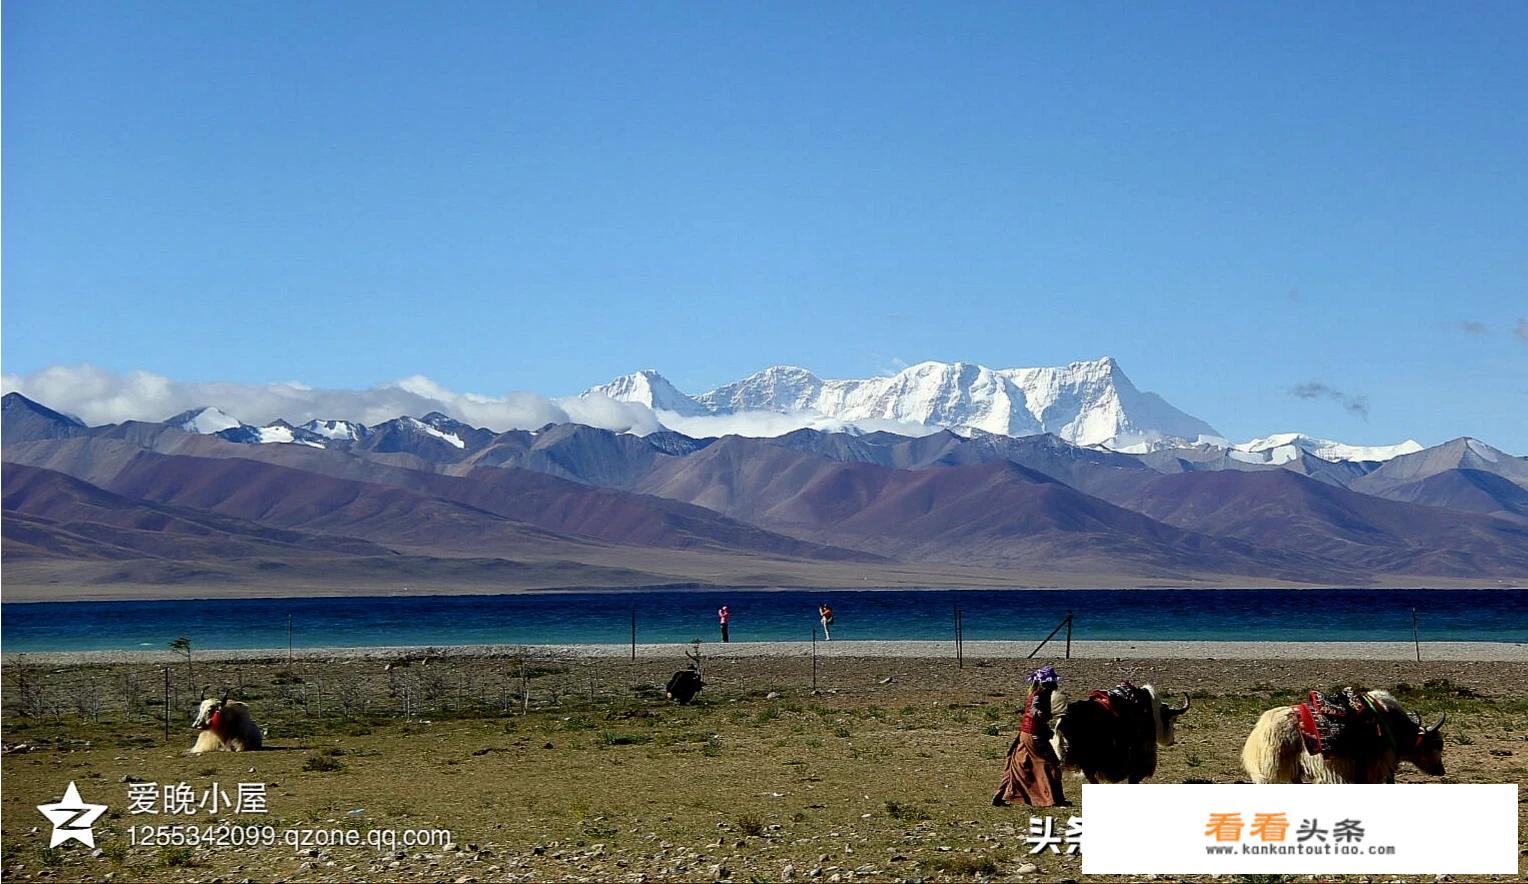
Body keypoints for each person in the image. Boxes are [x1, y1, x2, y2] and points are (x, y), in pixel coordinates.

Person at [993, 665, 1068, 807]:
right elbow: (1035, 709)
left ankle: (1002, 795)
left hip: (1025, 733)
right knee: (1049, 764)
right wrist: (1040, 714)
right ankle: (1051, 799)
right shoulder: (1041, 694)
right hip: (1035, 735)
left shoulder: (1035, 693)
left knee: (1015, 765)